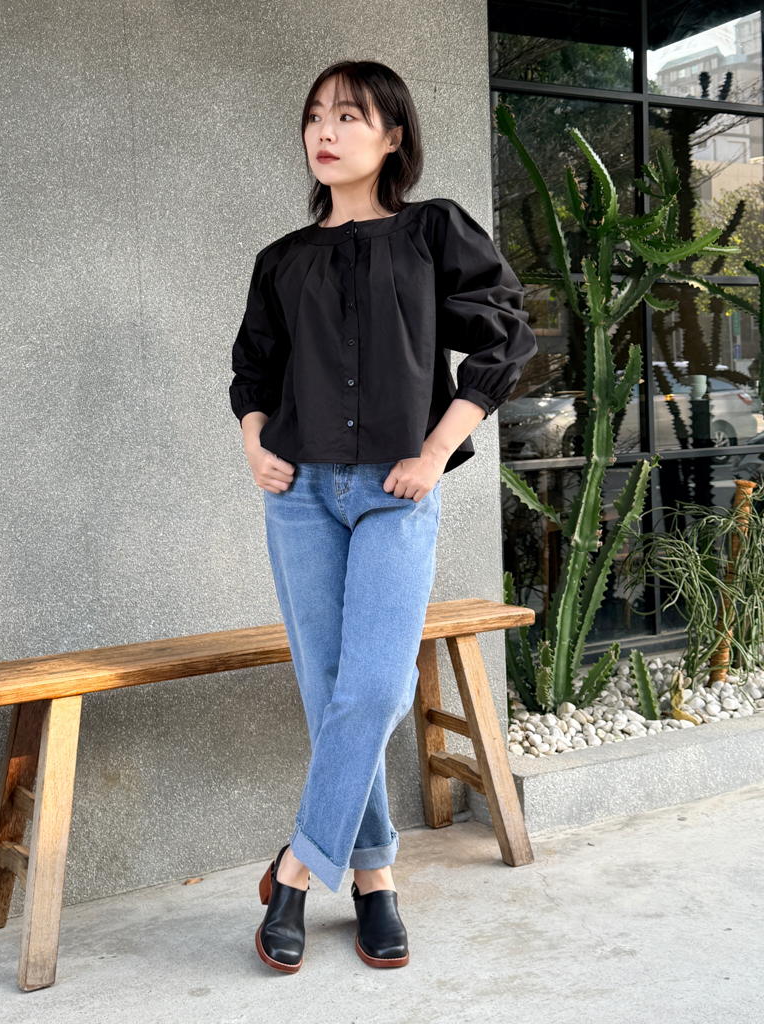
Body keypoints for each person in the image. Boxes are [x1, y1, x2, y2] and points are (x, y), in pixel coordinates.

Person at [229, 59, 537, 974]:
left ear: (393, 135)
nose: (326, 131)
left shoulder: (432, 231)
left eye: (350, 116)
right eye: (315, 116)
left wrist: (435, 450)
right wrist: (254, 443)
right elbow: (254, 369)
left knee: (373, 688)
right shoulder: (281, 259)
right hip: (299, 495)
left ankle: (295, 869)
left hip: (397, 490)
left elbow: (504, 333)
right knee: (330, 691)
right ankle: (373, 877)